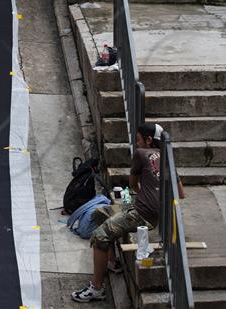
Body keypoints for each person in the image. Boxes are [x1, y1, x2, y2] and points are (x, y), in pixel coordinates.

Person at [70, 123, 185, 303]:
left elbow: (132, 185)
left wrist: (142, 196)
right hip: (158, 215)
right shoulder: (168, 158)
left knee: (99, 236)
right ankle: (112, 262)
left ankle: (97, 288)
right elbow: (181, 193)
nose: (136, 143)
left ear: (148, 140)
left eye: (138, 140)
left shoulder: (141, 154)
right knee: (102, 213)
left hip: (141, 214)